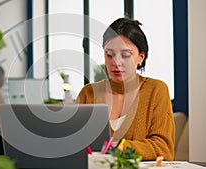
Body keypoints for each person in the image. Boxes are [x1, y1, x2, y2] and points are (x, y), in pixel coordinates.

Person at [75, 18, 175, 161]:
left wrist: (121, 147)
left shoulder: (156, 91)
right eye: (110, 54)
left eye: (126, 55)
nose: (116, 62)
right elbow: (73, 145)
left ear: (141, 57)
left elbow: (163, 149)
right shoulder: (88, 93)